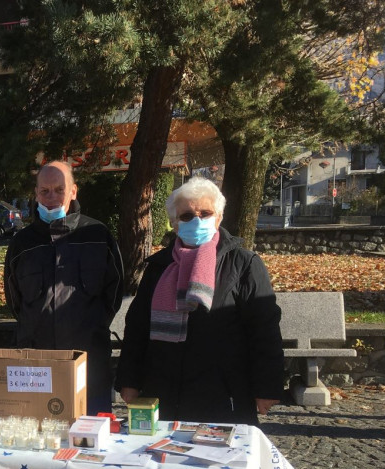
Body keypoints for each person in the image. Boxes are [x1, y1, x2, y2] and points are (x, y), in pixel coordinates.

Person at [115, 176, 283, 425]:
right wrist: (129, 380)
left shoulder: (244, 264)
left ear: (219, 217)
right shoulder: (158, 267)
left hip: (223, 392)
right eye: (186, 216)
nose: (197, 220)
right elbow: (138, 327)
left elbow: (264, 329)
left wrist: (267, 387)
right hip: (163, 391)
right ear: (174, 223)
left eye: (205, 213)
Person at [3, 161, 124, 414]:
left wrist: (91, 328)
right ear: (35, 194)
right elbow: (15, 300)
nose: (51, 198)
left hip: (88, 366)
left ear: (73, 191)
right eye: (44, 191)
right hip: (36, 368)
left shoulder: (97, 234)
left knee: (90, 446)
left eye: (59, 189)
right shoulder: (22, 243)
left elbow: (113, 293)